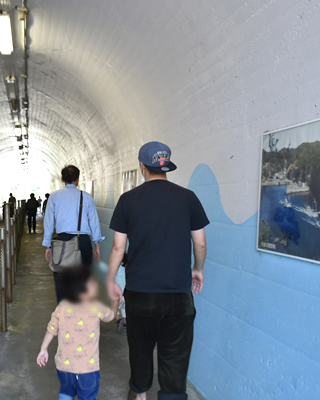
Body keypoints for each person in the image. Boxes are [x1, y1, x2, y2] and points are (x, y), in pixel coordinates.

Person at [106, 142, 209, 400]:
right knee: (174, 358)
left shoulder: (128, 200)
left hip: (141, 293)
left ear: (142, 167)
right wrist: (197, 269)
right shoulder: (188, 198)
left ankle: (140, 394)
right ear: (166, 166)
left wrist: (109, 281)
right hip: (178, 294)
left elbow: (118, 248)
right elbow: (200, 242)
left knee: (140, 350)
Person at [37, 267, 120, 400]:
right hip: (87, 369)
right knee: (87, 396)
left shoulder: (63, 305)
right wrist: (115, 302)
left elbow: (51, 328)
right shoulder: (96, 306)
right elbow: (110, 316)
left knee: (66, 391)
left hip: (64, 368)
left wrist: (44, 349)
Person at [43, 165, 104, 303]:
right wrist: (97, 245)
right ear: (78, 179)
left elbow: (49, 222)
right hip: (82, 242)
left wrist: (48, 245)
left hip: (62, 242)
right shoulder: (86, 197)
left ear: (62, 179)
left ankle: (64, 317)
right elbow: (94, 221)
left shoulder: (54, 197)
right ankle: (81, 318)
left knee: (61, 282)